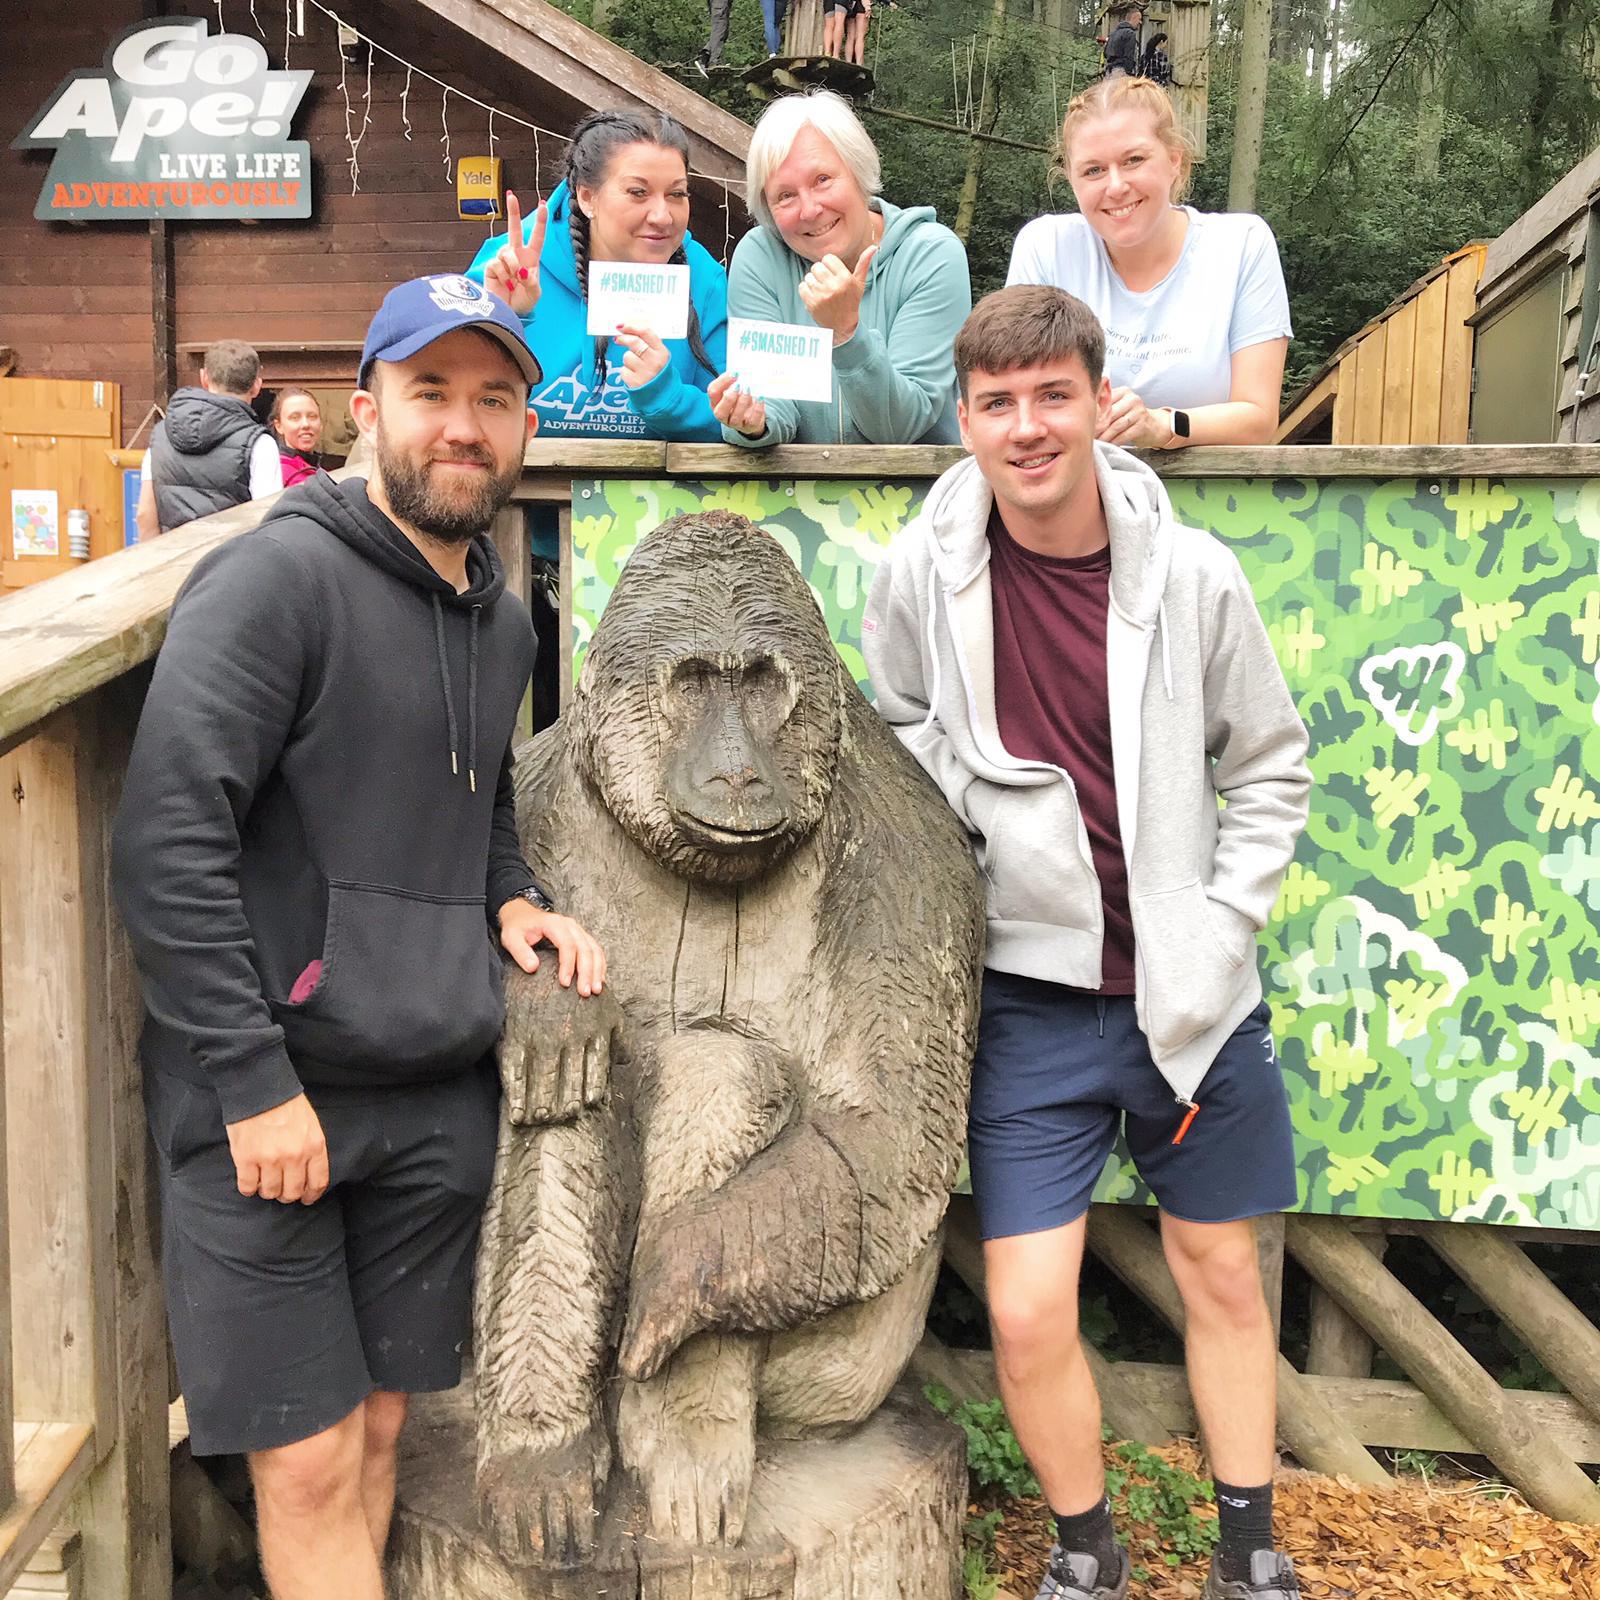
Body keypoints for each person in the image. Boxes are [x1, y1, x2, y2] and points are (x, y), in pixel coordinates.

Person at [112, 275, 609, 1600]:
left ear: (524, 427)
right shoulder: (272, 581)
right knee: (311, 1462)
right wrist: (251, 1080)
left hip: (433, 1091)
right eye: (430, 390)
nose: (463, 425)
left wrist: (511, 893)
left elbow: (478, 789)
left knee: (385, 1429)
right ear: (363, 409)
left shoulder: (503, 617)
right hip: (272, 1098)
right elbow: (167, 837)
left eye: (493, 399)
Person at [863, 284, 1310, 1600]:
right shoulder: (918, 574)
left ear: (1097, 402)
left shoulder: (1194, 575)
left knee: (1222, 1271)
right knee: (1023, 1306)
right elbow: (894, 737)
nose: (1027, 426)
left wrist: (1222, 930)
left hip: (1191, 996)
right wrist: (971, 835)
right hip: (1031, 1000)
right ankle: (1083, 1551)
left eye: (1053, 395)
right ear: (964, 420)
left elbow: (1269, 767)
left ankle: (1249, 1550)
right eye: (997, 403)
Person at [1007, 75, 1291, 448]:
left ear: (1174, 161)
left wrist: (1161, 426)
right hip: (1075, 479)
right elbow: (1019, 398)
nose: (1115, 186)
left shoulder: (1242, 244)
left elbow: (1258, 419)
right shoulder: (1046, 247)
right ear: (1071, 180)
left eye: (1134, 160)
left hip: (1210, 484)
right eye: (1093, 170)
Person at [713, 89, 971, 448]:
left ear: (858, 171)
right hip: (794, 480)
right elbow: (770, 399)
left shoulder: (930, 254)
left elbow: (900, 426)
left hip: (918, 480)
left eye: (822, 180)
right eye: (785, 196)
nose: (809, 210)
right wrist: (752, 422)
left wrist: (846, 333)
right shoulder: (760, 257)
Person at [467, 110, 728, 444]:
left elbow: (737, 421)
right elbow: (447, 400)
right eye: (638, 192)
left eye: (676, 194)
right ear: (587, 196)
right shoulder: (508, 267)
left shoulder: (704, 280)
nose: (662, 216)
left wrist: (669, 399)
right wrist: (506, 320)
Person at [136, 340, 283, 539]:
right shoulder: (260, 444)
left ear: (204, 377)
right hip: (230, 557)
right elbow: (268, 524)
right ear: (257, 386)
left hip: (173, 556)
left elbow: (145, 515)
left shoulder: (161, 435)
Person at [270, 386, 326, 487]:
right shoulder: (279, 473)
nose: (305, 424)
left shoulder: (318, 469)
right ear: (279, 426)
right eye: (295, 417)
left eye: (312, 416)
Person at [1103, 4, 1142, 77]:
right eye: (1139, 19)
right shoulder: (1130, 34)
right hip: (1121, 72)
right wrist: (1129, 74)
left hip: (1109, 72)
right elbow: (1129, 56)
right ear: (1133, 18)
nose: (1140, 22)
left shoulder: (1112, 34)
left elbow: (1105, 53)